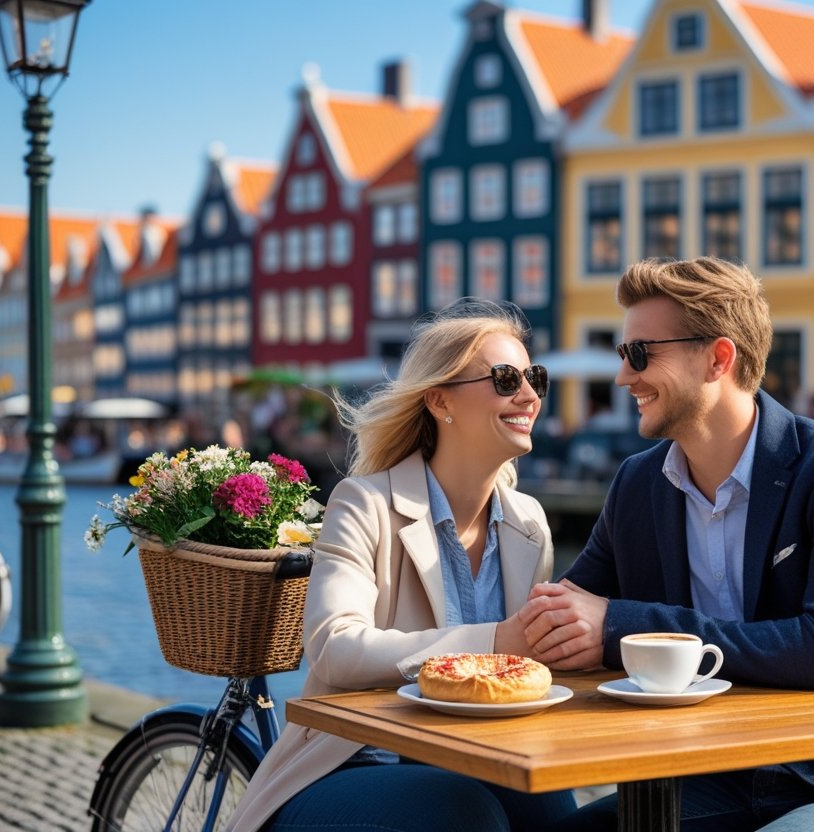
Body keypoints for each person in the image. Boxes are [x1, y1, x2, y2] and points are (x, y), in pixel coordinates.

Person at [519, 257, 814, 832]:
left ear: (719, 358)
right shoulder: (638, 484)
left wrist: (620, 627)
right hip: (699, 772)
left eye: (641, 354)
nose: (624, 377)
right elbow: (565, 615)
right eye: (624, 355)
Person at [227, 298, 576, 832]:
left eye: (536, 378)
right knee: (468, 815)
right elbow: (334, 649)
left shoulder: (529, 523)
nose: (529, 395)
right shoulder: (363, 502)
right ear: (440, 400)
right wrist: (495, 642)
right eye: (506, 378)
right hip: (351, 759)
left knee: (555, 814)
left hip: (469, 755)